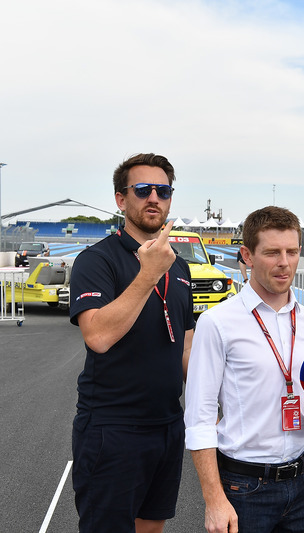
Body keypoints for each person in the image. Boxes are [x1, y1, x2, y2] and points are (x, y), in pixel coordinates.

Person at [184, 206, 304, 533]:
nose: (284, 262)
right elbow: (199, 417)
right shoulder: (217, 323)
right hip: (243, 488)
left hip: (303, 482)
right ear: (247, 255)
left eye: (292, 252)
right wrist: (214, 499)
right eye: (272, 252)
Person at [69, 153, 195, 532]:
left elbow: (186, 346)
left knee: (152, 526)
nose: (154, 197)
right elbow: (99, 336)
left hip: (168, 423)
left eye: (163, 190)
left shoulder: (180, 266)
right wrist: (148, 274)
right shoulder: (97, 261)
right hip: (112, 427)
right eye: (143, 189)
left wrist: (222, 398)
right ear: (122, 200)